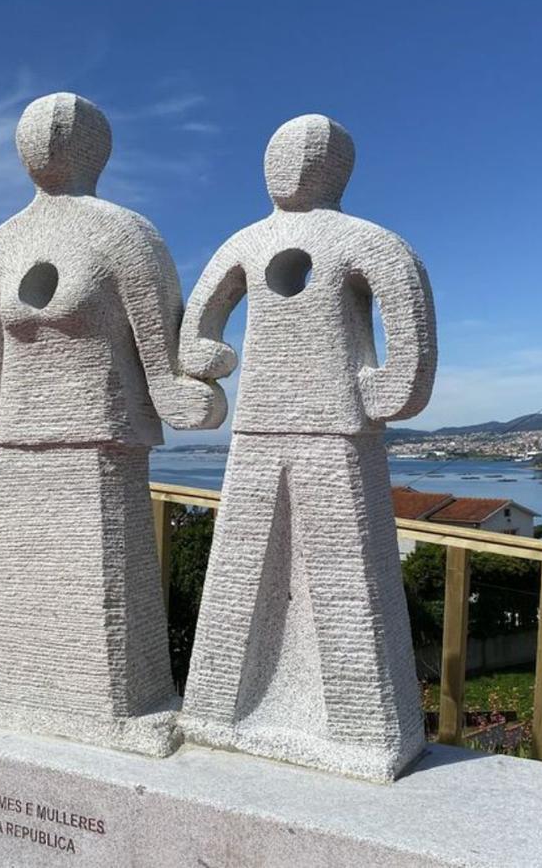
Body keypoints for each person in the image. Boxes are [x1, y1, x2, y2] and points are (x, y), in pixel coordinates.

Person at [0, 92, 223, 756]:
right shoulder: (4, 242)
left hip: (101, 434)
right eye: (32, 136)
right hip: (22, 436)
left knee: (104, 606)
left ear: (96, 151)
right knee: (15, 591)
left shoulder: (122, 233)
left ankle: (120, 707)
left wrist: (170, 389)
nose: (47, 142)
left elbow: (156, 340)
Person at [178, 114, 438, 781]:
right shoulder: (247, 242)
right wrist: (204, 356)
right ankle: (216, 712)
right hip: (259, 422)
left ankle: (358, 731)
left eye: (307, 155)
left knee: (346, 567)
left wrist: (391, 388)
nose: (290, 165)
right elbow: (200, 323)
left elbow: (406, 312)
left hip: (336, 423)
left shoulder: (363, 240)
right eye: (280, 153)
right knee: (239, 559)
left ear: (337, 169)